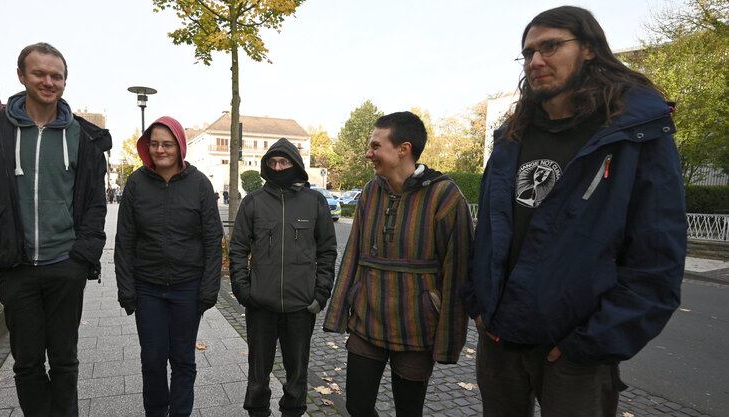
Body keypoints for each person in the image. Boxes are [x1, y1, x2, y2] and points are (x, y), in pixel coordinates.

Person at [462, 6, 687, 416]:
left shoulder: (632, 136)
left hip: (574, 355)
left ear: (587, 49)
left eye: (550, 47)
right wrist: (477, 305)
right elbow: (490, 232)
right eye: (527, 53)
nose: (535, 61)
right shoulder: (511, 137)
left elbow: (656, 263)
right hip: (498, 341)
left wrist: (588, 345)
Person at [0, 42, 110, 417]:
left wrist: (83, 256)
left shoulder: (84, 136)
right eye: (39, 73)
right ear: (21, 76)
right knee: (27, 364)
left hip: (66, 264)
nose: (48, 81)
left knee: (64, 361)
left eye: (56, 75)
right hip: (16, 267)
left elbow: (96, 204)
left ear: (65, 81)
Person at [323, 111, 473, 416]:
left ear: (403, 148)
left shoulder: (445, 196)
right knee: (357, 406)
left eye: (376, 146)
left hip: (416, 329)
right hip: (367, 322)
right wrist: (339, 312)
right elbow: (352, 255)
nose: (369, 154)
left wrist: (448, 341)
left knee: (408, 412)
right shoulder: (370, 192)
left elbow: (458, 272)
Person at [115, 116, 223, 417]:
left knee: (183, 360)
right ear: (147, 147)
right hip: (147, 287)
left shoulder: (199, 184)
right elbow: (124, 239)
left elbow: (214, 239)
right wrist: (127, 289)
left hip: (187, 288)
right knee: (151, 359)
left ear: (179, 146)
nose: (161, 150)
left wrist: (208, 289)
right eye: (155, 144)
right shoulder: (136, 183)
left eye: (168, 144)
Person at [229, 138, 337, 417]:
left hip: (301, 306)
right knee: (258, 372)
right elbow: (238, 247)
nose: (278, 168)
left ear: (295, 165)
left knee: (297, 372)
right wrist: (243, 290)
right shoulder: (253, 202)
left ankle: (293, 412)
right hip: (260, 305)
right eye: (273, 163)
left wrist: (321, 293)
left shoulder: (315, 202)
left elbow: (327, 251)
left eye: (284, 162)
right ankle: (257, 412)